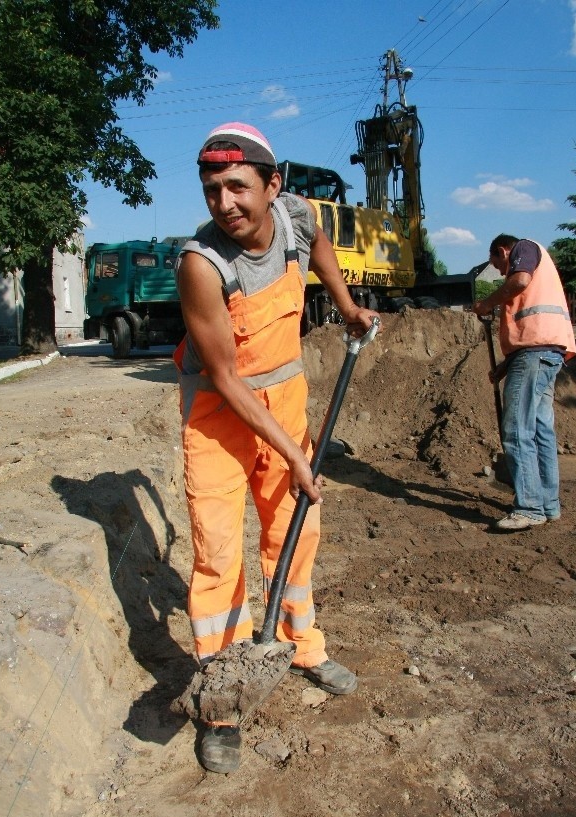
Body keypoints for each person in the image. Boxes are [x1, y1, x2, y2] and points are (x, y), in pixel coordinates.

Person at [173, 122, 381, 773]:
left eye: (238, 186)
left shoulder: (296, 215)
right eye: (212, 190)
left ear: (272, 185)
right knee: (216, 551)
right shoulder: (200, 265)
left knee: (294, 530)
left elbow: (318, 245)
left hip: (284, 393)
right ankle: (223, 702)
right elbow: (228, 378)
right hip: (218, 410)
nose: (225, 203)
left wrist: (345, 304)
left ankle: (303, 645)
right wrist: (294, 453)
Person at [473, 234, 576, 532]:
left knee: (517, 428)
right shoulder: (533, 259)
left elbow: (518, 282)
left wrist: (486, 304)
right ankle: (547, 504)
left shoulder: (524, 248)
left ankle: (529, 507)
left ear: (504, 250)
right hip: (544, 352)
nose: (504, 273)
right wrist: (505, 366)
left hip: (535, 355)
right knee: (541, 429)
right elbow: (532, 335)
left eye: (501, 266)